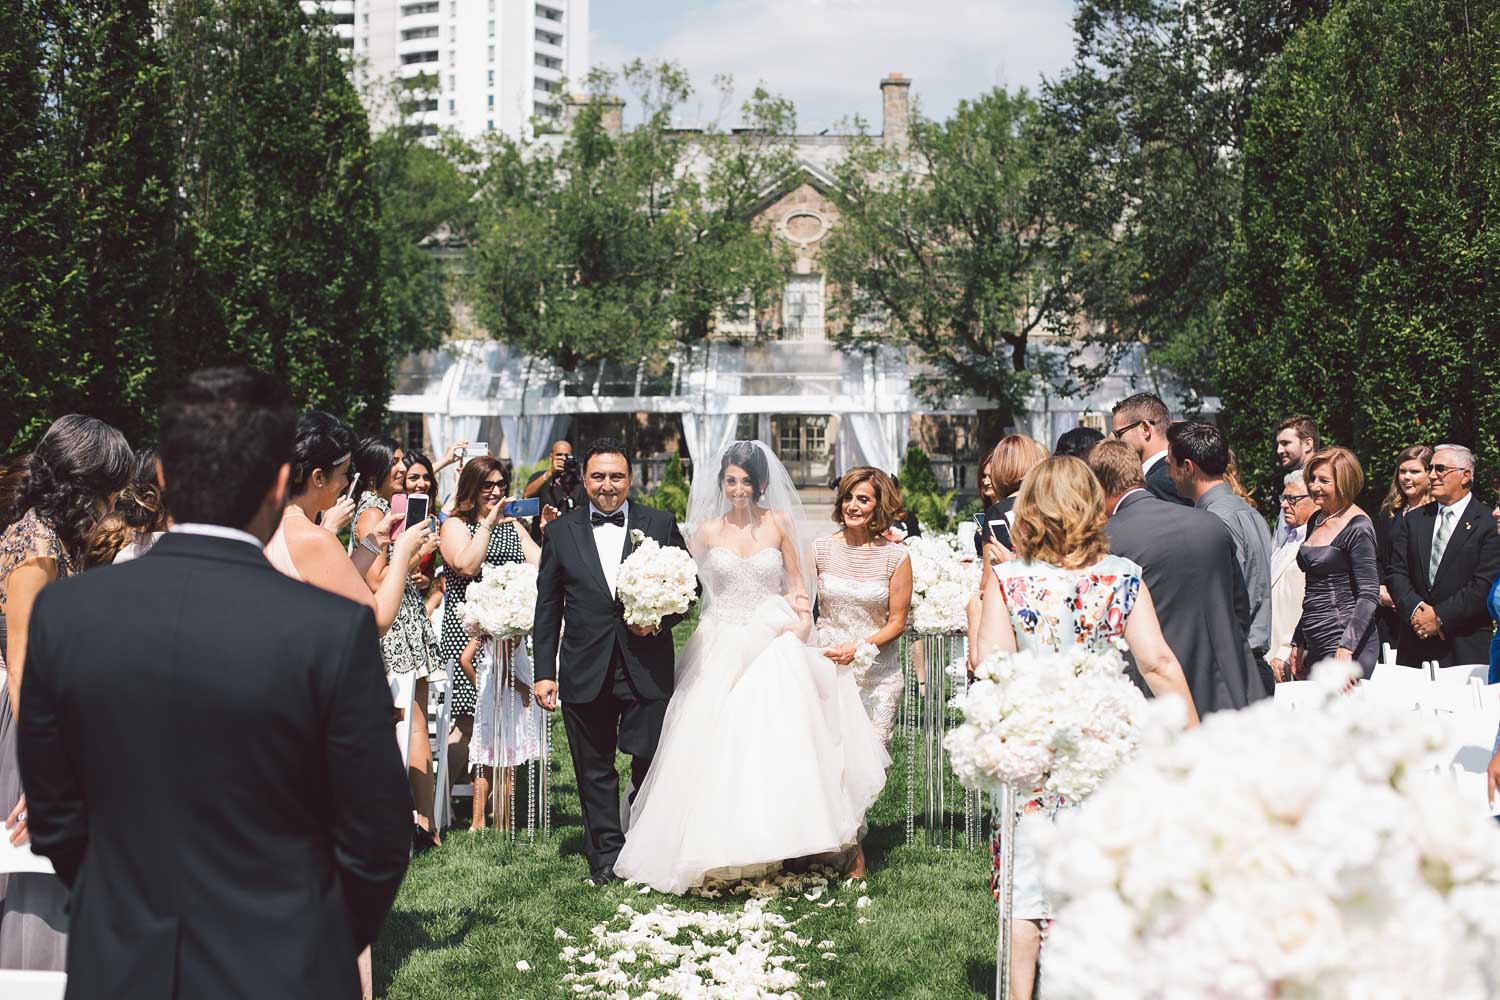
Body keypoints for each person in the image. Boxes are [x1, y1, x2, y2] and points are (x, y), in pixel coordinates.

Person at [17, 368, 412, 999]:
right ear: (281, 482)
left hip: (120, 965)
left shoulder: (68, 615)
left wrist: (121, 911)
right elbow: (379, 835)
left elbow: (57, 813)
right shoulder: (332, 630)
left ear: (166, 477)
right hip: (283, 966)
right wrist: (317, 936)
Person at [614, 441, 887, 893]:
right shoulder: (704, 531)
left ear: (761, 484)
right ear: (722, 483)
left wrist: (800, 622)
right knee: (710, 740)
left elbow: (797, 583)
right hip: (720, 640)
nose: (738, 489)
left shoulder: (778, 523)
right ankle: (712, 845)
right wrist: (655, 596)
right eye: (730, 481)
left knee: (781, 739)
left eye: (745, 481)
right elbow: (684, 583)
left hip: (774, 636)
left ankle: (788, 840)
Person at [973, 455, 1199, 1000]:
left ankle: (1020, 993)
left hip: (1036, 747)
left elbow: (991, 667)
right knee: (1106, 875)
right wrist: (1193, 736)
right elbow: (1159, 665)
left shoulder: (1009, 580)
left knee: (1029, 884)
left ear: (1031, 510)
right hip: (1107, 744)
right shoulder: (1122, 577)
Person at [1, 415, 131, 972]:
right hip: (23, 722)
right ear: (83, 486)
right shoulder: (34, 548)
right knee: (33, 868)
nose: (116, 499)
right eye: (110, 487)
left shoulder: (56, 538)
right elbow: (23, 662)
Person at [531, 439, 688, 887]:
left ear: (630, 479)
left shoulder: (658, 523)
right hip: (585, 666)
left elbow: (686, 587)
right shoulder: (560, 532)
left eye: (616, 476)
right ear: (584, 480)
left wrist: (656, 621)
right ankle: (605, 856)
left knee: (649, 758)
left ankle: (646, 843)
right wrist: (545, 671)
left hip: (645, 664)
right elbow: (548, 606)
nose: (607, 485)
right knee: (593, 767)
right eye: (598, 476)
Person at [1088, 440, 1268, 713]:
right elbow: (1239, 609)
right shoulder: (1210, 524)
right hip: (1230, 685)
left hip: (1161, 697)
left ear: (1099, 485)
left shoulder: (1106, 540)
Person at [436, 456, 542, 824]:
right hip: (470, 633)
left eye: (501, 484)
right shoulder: (455, 525)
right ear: (472, 488)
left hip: (509, 633)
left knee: (507, 716)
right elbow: (465, 564)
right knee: (468, 719)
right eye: (488, 485)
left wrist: (527, 528)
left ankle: (499, 808)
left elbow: (541, 565)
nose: (496, 491)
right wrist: (487, 525)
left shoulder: (512, 526)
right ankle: (447, 802)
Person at [352, 436, 443, 851]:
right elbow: (375, 578)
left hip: (404, 618)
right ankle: (423, 822)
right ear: (374, 469)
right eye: (396, 462)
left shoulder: (387, 507)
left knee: (413, 722)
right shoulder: (374, 510)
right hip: (394, 620)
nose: (404, 468)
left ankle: (423, 822)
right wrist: (411, 555)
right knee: (411, 723)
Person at [265, 412, 423, 635]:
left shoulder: (269, 524)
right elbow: (376, 621)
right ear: (318, 478)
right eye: (345, 472)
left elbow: (333, 580)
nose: (348, 481)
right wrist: (403, 552)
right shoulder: (315, 538)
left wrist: (374, 541)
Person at [816, 467, 914, 753]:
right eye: (848, 497)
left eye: (863, 499)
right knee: (828, 760)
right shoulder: (820, 549)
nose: (852, 506)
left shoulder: (897, 556)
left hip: (878, 674)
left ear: (879, 506)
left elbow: (897, 623)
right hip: (828, 668)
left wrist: (857, 648)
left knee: (870, 764)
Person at [1168, 421, 1274, 674]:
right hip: (1248, 661)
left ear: (1187, 467)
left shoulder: (1213, 521)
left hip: (1232, 667)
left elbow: (1221, 600)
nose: (1169, 475)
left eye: (1169, 466)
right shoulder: (1249, 513)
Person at [1388, 444, 1500, 669]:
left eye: (1440, 469)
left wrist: (1439, 617)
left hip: (1465, 646)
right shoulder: (1414, 519)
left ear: (1465, 475)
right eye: (1430, 468)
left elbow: (1483, 583)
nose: (1431, 476)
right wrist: (1417, 611)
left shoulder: (1488, 523)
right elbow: (1396, 572)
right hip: (1415, 645)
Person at [1285, 448, 1381, 678]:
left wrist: (1347, 647)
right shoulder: (1317, 519)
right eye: (1312, 479)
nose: (1314, 486)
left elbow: (1369, 594)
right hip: (1314, 636)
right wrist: (1298, 639)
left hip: (1346, 640)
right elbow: (1313, 590)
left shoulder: (1358, 527)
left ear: (1344, 482)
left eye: (1324, 480)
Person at [1376, 445, 1434, 647]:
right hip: (1389, 611)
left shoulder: (1436, 514)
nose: (1406, 477)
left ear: (1429, 473)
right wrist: (1381, 589)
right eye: (1402, 471)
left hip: (1425, 610)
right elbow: (1379, 556)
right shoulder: (1390, 512)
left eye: (1414, 471)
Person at [1268, 470, 1313, 682]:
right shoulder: (1283, 540)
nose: (1284, 505)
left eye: (1292, 499)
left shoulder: (1318, 545)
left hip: (1294, 660)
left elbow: (1311, 605)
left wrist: (1286, 652)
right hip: (1269, 656)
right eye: (1283, 498)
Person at [1110, 392, 1190, 506]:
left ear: (1145, 429)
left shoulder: (1161, 481)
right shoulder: (1172, 472)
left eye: (1119, 434)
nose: (1117, 441)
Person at [523, 439, 587, 517]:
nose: (563, 458)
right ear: (551, 457)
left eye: (566, 455)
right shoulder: (540, 477)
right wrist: (550, 473)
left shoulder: (577, 481)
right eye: (559, 455)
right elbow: (526, 495)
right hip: (543, 527)